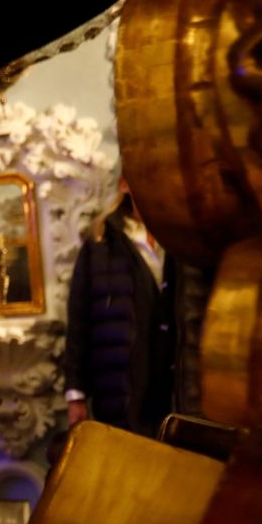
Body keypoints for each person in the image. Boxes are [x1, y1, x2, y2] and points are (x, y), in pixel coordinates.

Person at [63, 178, 193, 438]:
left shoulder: (181, 239)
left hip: (175, 388)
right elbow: (79, 321)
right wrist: (75, 394)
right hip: (120, 388)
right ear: (125, 185)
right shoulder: (101, 242)